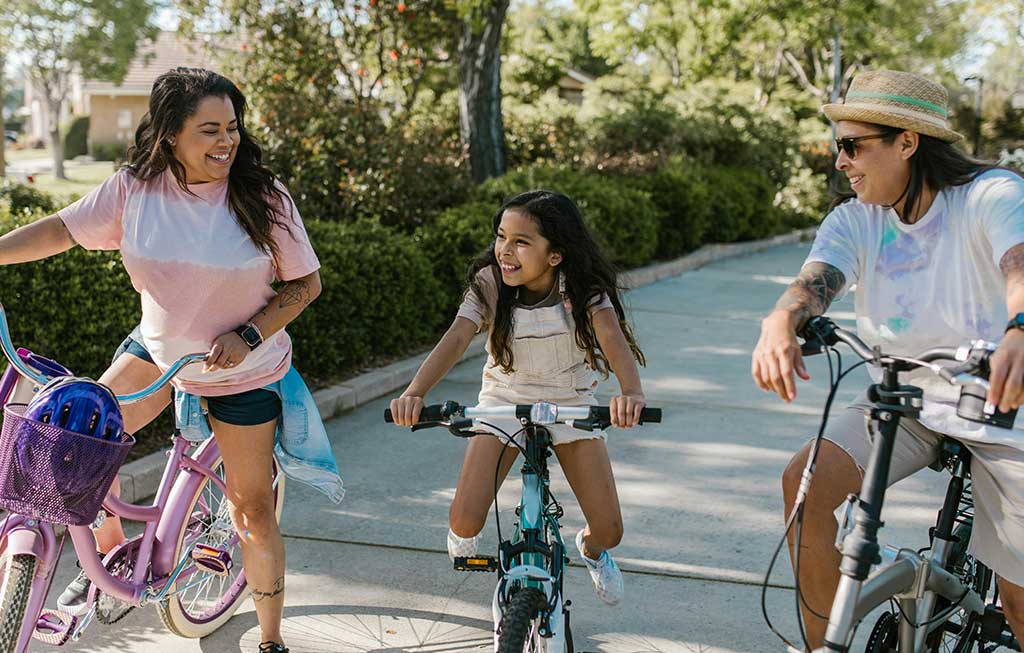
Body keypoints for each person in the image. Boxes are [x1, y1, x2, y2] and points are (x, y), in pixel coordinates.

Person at [0, 67, 343, 653]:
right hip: (157, 355)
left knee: (253, 510)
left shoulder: (263, 196)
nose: (226, 142)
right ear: (169, 135)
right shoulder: (136, 188)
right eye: (209, 129)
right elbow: (61, 229)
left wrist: (252, 333)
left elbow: (305, 284)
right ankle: (104, 558)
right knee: (72, 450)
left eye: (232, 128)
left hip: (243, 369)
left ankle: (270, 639)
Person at [751, 69, 1024, 647]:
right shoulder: (857, 217)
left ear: (907, 141)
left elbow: (1019, 264)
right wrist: (781, 318)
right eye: (838, 146)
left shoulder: (990, 195)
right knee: (804, 486)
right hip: (905, 400)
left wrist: (1019, 327)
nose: (841, 162)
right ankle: (828, 644)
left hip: (1002, 403)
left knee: (1021, 598)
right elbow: (815, 282)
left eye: (853, 146)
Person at [389, 190, 648, 605]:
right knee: (466, 521)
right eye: (501, 236)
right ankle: (468, 533)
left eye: (521, 242)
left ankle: (592, 552)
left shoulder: (583, 291)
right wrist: (414, 393)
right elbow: (457, 336)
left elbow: (612, 340)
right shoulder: (491, 283)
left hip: (570, 400)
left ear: (555, 256)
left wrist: (630, 393)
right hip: (504, 397)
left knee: (609, 529)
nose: (505, 251)